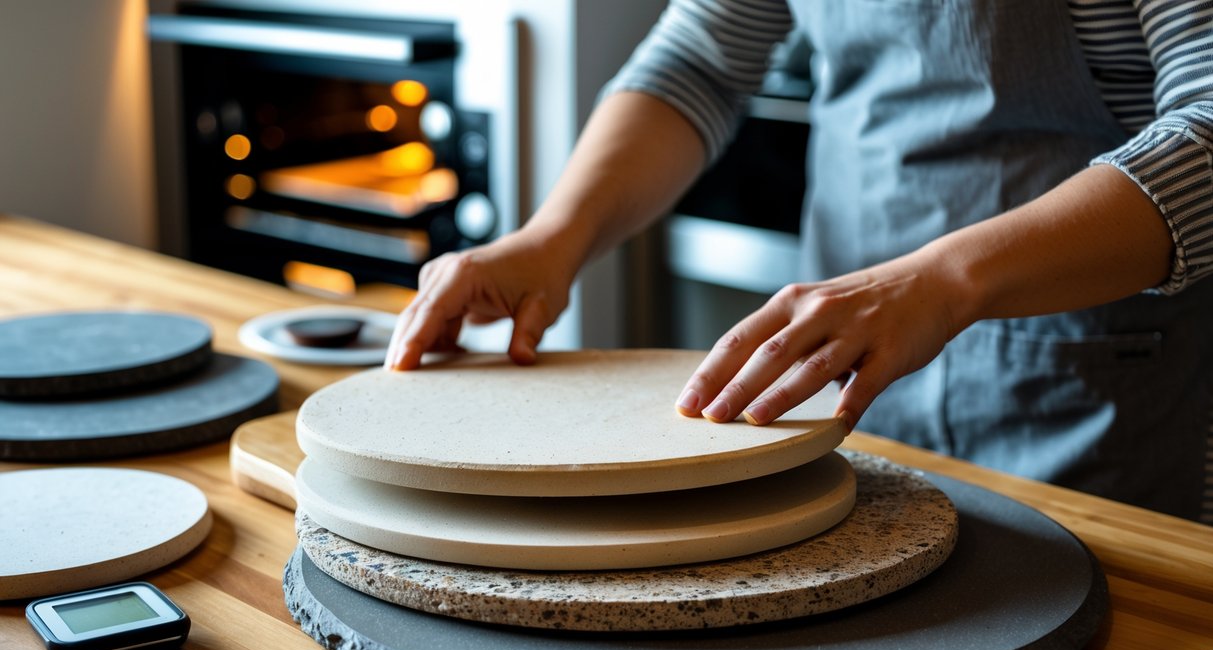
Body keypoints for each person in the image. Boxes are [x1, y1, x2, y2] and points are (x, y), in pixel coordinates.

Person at [385, 0, 1213, 522]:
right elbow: (698, 62)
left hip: (1093, 382)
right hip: (837, 376)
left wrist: (941, 280)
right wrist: (550, 239)